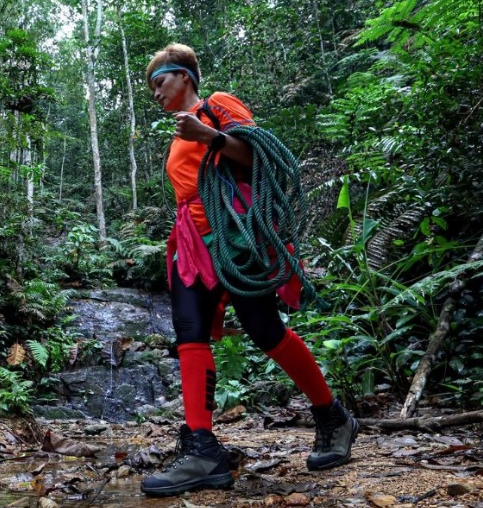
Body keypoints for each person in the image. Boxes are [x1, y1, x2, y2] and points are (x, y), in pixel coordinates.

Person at [140, 43, 358, 497]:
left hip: (236, 235)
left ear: (184, 77)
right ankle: (202, 450)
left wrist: (210, 136)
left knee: (264, 329)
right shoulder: (180, 132)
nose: (155, 93)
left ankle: (333, 416)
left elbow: (260, 157)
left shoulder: (216, 106)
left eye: (159, 82)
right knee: (189, 332)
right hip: (192, 241)